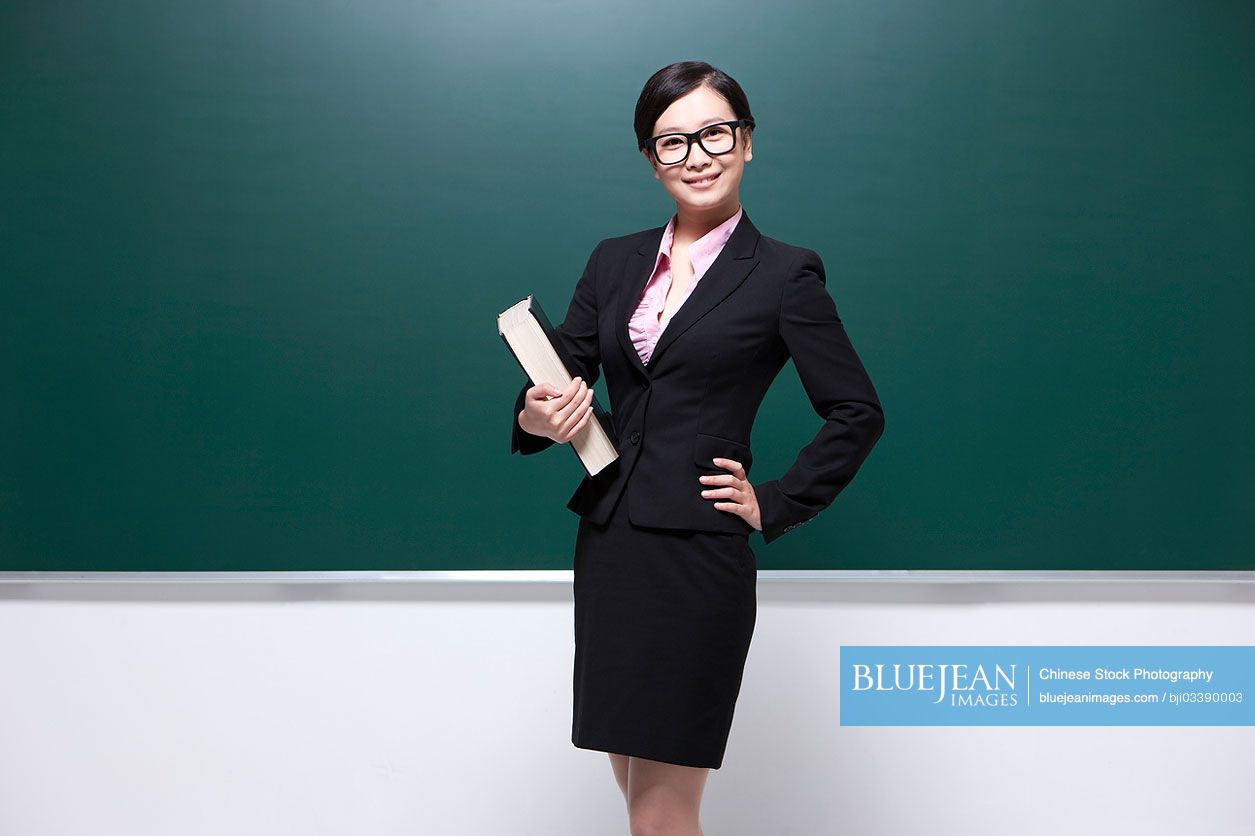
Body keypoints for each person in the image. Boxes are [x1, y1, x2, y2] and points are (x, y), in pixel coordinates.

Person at [510, 60, 884, 835]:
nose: (696, 155)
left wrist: (774, 501)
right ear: (651, 159)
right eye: (672, 141)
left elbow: (856, 410)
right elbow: (560, 374)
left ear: (746, 141)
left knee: (660, 814)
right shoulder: (613, 260)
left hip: (696, 557)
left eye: (714, 133)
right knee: (635, 797)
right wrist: (536, 416)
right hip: (611, 545)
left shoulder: (784, 274)